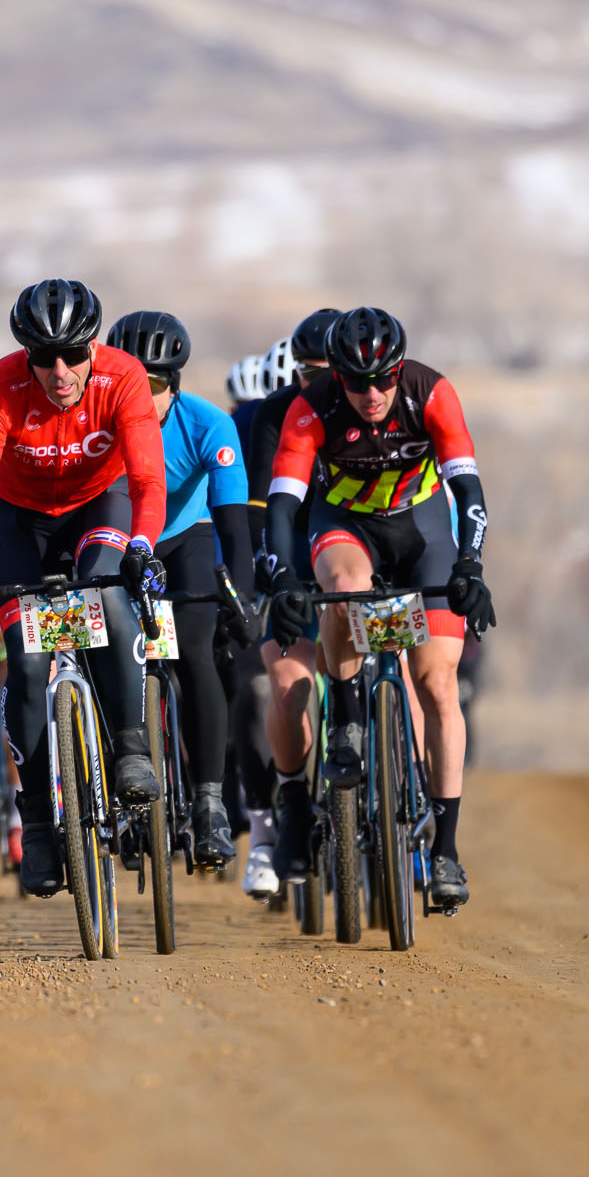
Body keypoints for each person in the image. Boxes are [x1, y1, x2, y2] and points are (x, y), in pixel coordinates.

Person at [263, 306, 496, 908]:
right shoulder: (312, 407)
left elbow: (467, 490)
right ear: (336, 375)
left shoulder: (430, 392)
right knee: (346, 587)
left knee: (438, 682)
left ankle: (445, 850)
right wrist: (285, 578)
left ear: (400, 370)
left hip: (422, 533)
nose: (373, 393)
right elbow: (284, 506)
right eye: (358, 382)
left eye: (385, 379)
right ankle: (343, 709)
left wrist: (469, 566)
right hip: (346, 526)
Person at [0, 279, 169, 897]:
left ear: (93, 347)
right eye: (44, 358)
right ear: (25, 354)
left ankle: (130, 747)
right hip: (20, 522)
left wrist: (140, 547)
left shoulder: (124, 377)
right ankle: (37, 825)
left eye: (73, 355)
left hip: (95, 510)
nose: (59, 372)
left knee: (104, 595)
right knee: (24, 667)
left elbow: (146, 480)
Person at [104, 309, 256, 870]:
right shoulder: (98, 425)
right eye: (131, 385)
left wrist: (241, 597)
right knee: (105, 650)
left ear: (177, 385)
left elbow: (234, 525)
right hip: (119, 539)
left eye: (157, 387)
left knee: (195, 650)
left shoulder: (210, 425)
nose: (144, 399)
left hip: (185, 538)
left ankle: (211, 804)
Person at [240, 309, 341, 898]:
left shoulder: (369, 412)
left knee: (410, 666)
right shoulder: (273, 416)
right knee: (281, 685)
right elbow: (260, 513)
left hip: (358, 547)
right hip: (292, 555)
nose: (319, 384)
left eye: (329, 372)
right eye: (307, 372)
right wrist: (275, 577)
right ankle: (292, 797)